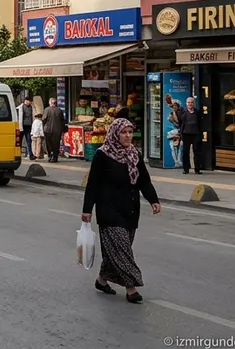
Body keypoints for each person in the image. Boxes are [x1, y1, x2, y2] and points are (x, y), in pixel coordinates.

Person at [81, 118, 160, 304]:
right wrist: (87, 210)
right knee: (122, 251)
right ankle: (131, 289)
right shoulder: (102, 155)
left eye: (130, 132)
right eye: (124, 132)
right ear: (115, 134)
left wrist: (153, 200)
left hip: (130, 210)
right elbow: (93, 184)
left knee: (116, 251)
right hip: (108, 211)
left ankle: (102, 280)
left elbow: (144, 181)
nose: (127, 136)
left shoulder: (134, 154)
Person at [175, 97, 203, 175]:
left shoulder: (197, 112)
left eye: (191, 102)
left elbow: (200, 122)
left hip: (196, 134)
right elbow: (180, 122)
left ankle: (197, 169)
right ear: (186, 103)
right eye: (188, 102)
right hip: (186, 134)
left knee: (197, 152)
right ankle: (186, 169)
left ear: (194, 103)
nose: (190, 104)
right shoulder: (182, 112)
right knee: (185, 152)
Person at [43, 98, 66, 163]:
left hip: (48, 130)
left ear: (50, 102)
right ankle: (55, 157)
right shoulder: (59, 110)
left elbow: (44, 119)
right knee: (56, 144)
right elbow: (62, 120)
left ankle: (50, 156)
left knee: (49, 144)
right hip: (57, 130)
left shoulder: (47, 109)